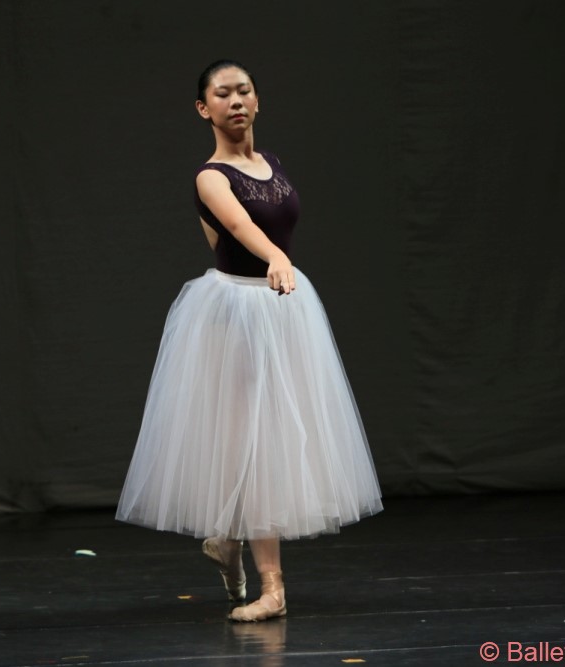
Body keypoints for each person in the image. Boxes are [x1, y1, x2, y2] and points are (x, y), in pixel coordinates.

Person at [116, 60, 383, 622]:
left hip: (281, 307)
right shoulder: (210, 177)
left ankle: (228, 543)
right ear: (203, 108)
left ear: (258, 101)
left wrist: (280, 265)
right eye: (223, 94)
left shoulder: (272, 164)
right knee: (252, 443)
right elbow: (239, 228)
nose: (235, 101)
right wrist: (277, 257)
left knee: (270, 440)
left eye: (244, 91)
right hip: (237, 311)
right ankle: (272, 587)